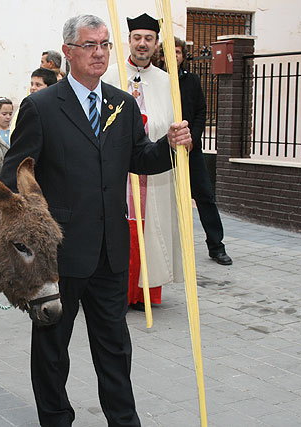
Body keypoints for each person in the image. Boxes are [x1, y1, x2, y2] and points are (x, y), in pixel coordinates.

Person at [0, 15, 191, 426]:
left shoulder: (121, 104)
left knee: (116, 348)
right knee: (52, 350)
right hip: (59, 256)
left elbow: (139, 156)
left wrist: (170, 147)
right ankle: (55, 420)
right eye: (90, 45)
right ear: (68, 52)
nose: (100, 52)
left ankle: (124, 421)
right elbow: (12, 175)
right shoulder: (42, 107)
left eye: (104, 44)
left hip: (110, 251)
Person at [103, 13, 183, 309]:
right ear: (129, 41)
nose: (142, 44)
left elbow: (171, 124)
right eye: (137, 38)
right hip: (119, 171)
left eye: (148, 39)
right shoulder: (110, 77)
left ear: (156, 44)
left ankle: (145, 293)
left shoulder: (165, 82)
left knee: (150, 227)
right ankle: (115, 291)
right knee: (120, 226)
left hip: (152, 172)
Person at [174, 37, 232, 265]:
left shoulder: (192, 80)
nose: (175, 55)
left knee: (205, 196)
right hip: (164, 151)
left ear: (183, 55)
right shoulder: (157, 81)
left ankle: (217, 247)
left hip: (191, 150)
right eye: (171, 51)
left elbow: (200, 112)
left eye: (178, 51)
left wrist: (192, 139)